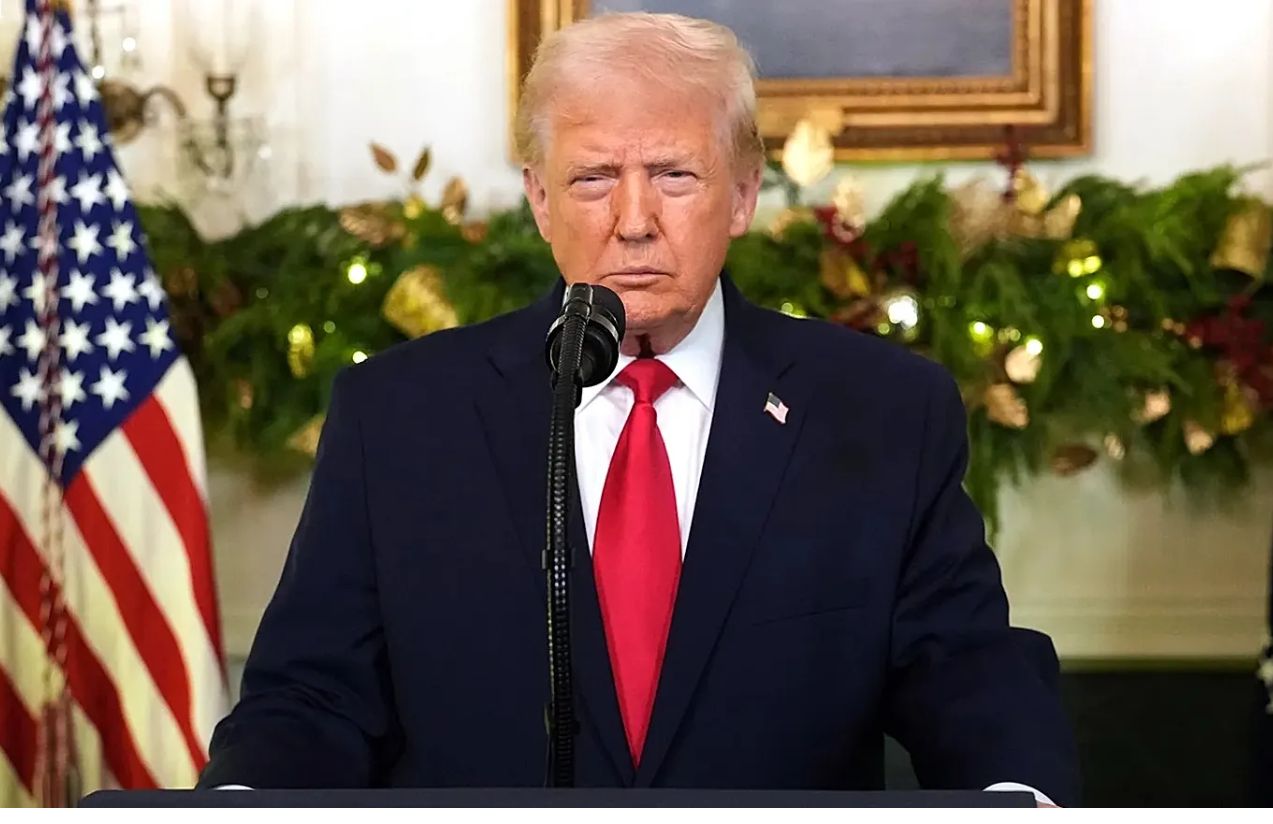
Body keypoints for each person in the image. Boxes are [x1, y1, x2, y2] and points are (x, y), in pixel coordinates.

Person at [200, 12, 1078, 804]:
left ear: (741, 196)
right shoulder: (399, 415)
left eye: (672, 174)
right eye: (590, 179)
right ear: (539, 200)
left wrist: (1014, 792)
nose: (632, 219)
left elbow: (960, 664)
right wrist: (243, 802)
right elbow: (314, 696)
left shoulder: (881, 409)